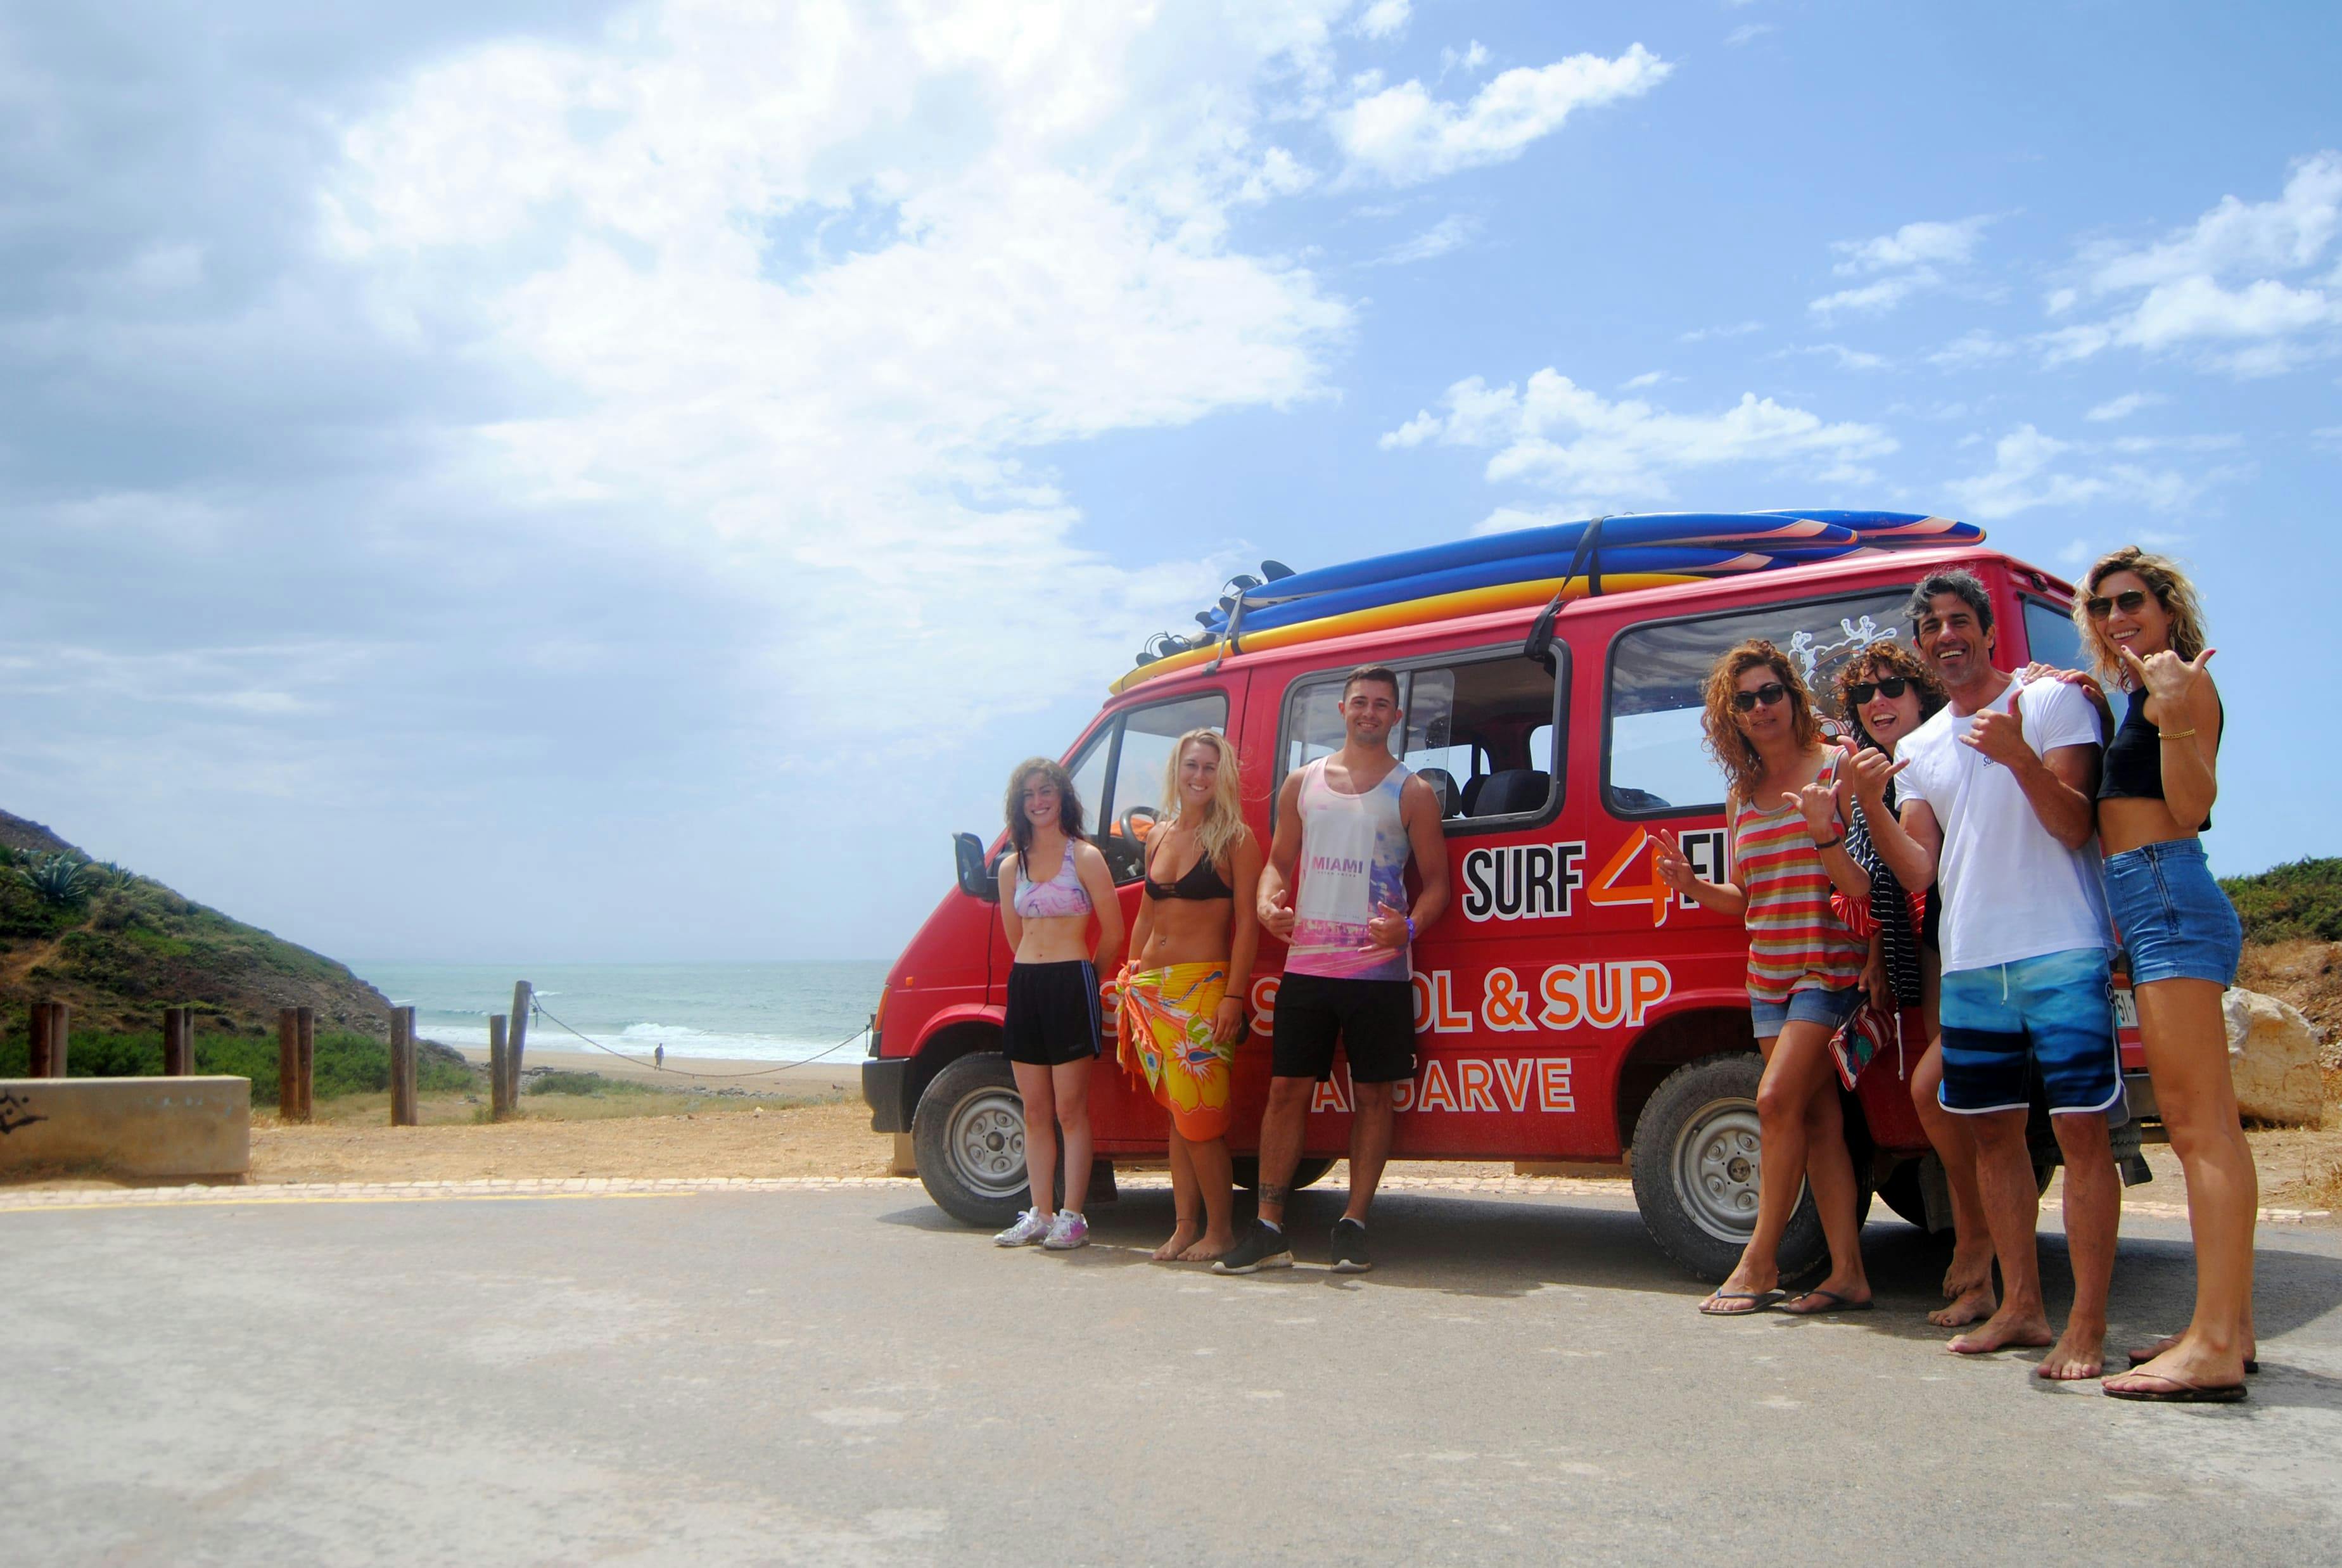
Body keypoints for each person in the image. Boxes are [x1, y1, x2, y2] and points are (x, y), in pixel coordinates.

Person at [1850, 570, 2119, 1379]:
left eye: (1959, 620)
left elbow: (2076, 825)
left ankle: (2090, 1328)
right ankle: (2023, 1309)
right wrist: (1866, 806)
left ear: (1988, 631)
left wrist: (2019, 760)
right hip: (1969, 960)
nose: (1945, 635)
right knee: (1994, 1138)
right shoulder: (1922, 747)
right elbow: (1920, 872)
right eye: (1930, 626)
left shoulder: (2049, 705)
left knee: (2080, 1136)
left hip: (2062, 947)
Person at [2058, 549, 2251, 1403]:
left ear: (2168, 607)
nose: (2113, 616)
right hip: (2148, 899)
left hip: (2168, 888)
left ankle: (2211, 1343)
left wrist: (2172, 712)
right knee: (2203, 1124)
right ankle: (2228, 1329)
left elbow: (2189, 806)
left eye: (2130, 600)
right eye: (2098, 606)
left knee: (2199, 1126)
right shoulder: (2140, 691)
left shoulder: (2181, 686)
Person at [1655, 641, 1874, 1316]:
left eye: (1770, 692)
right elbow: (1746, 898)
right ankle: (1848, 1274)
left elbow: (1865, 886)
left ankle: (1758, 1260)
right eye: (1744, 699)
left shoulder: (1837, 770)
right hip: (1767, 977)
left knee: (1775, 1104)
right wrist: (1692, 886)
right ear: (1732, 715)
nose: (1760, 707)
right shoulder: (1740, 797)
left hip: (1826, 969)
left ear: (1792, 695)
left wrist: (1824, 832)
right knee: (1814, 1120)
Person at [1215, 665, 1449, 1275]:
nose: (1369, 712)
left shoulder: (1412, 792)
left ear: (1396, 717)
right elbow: (1276, 862)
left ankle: (1353, 1223)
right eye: (1359, 702)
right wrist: (1268, 901)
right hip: (1308, 968)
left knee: (1373, 1097)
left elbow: (1438, 886)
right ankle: (1267, 1227)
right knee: (1285, 1092)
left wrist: (1411, 929)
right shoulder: (1302, 782)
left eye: (1381, 704)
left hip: (1379, 974)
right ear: (1341, 711)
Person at [1830, 644, 1995, 1329]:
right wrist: (1873, 953)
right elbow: (1874, 886)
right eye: (1864, 696)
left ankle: (1980, 1246)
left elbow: (1921, 873)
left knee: (1945, 1096)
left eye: (1893, 686)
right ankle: (1981, 1249)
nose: (1878, 701)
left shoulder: (1946, 756)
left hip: (1988, 949)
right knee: (1953, 1102)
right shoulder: (1876, 782)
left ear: (1923, 695)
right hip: (1929, 959)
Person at [1116, 729, 1264, 1262]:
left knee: (1201, 1119)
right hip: (1151, 991)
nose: (1198, 776)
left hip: (1201, 991)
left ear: (1221, 776)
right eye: (1190, 765)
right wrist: (1127, 976)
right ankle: (1185, 1226)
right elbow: (1146, 913)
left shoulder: (1236, 839)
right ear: (1175, 771)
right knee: (1177, 1118)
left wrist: (1234, 996)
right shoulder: (1158, 835)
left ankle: (1220, 1231)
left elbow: (1247, 924)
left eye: (1209, 767)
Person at [992, 758, 1124, 1251]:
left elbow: (1113, 932)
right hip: (1026, 985)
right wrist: (1035, 970)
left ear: (1061, 795)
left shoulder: (1084, 856)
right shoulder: (1011, 867)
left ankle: (1073, 1216)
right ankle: (1039, 1213)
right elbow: (1013, 934)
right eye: (1027, 794)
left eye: (1045, 791)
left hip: (1073, 981)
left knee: (1070, 1109)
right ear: (1018, 804)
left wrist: (1086, 977)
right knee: (1034, 1109)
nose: (1037, 801)